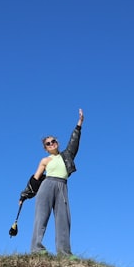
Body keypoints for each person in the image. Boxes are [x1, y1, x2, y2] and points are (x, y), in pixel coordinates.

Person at [28, 108, 84, 255]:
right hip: (47, 185)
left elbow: (74, 141)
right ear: (45, 148)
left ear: (57, 143)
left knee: (63, 220)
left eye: (53, 141)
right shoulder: (45, 160)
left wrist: (79, 124)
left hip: (62, 186)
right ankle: (36, 248)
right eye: (48, 143)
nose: (51, 144)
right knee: (41, 217)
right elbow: (35, 179)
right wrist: (24, 195)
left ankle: (64, 253)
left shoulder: (67, 155)